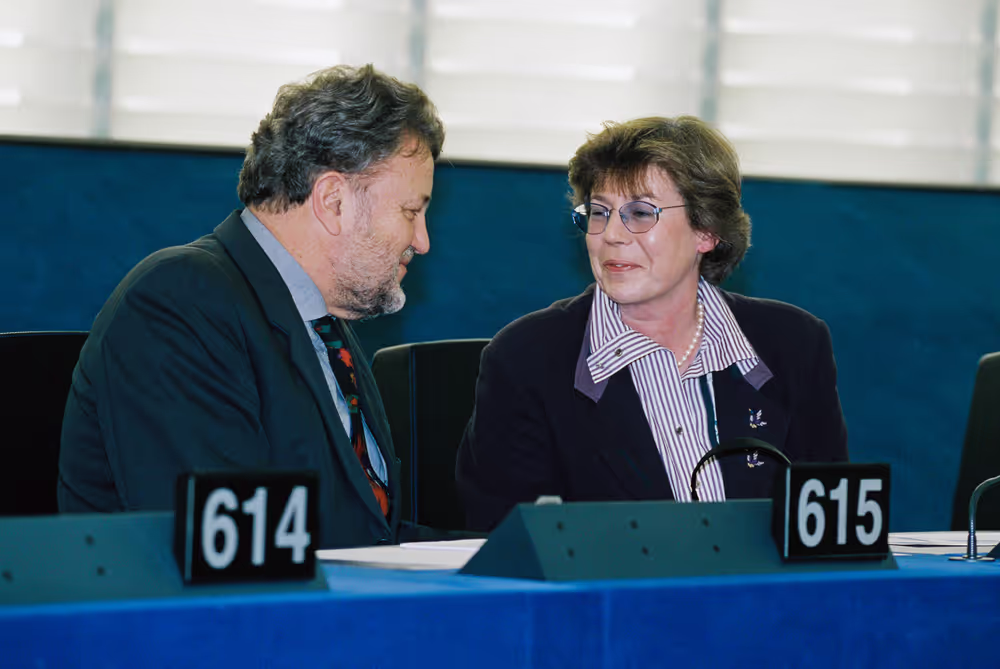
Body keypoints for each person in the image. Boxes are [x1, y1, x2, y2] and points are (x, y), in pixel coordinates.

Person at [59, 64, 444, 548]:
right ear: (332, 200)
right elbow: (227, 548)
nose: (423, 241)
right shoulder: (178, 303)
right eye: (411, 212)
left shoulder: (321, 324)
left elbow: (368, 528)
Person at [456, 116, 848, 532]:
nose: (611, 235)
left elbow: (829, 533)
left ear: (706, 231)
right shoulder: (526, 360)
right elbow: (509, 548)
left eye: (640, 213)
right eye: (598, 212)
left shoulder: (793, 346)